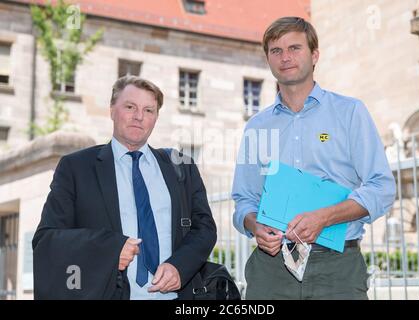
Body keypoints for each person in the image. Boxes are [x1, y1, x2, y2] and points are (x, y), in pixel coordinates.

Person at [232, 17, 396, 300]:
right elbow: (244, 199)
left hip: (337, 267)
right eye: (276, 51)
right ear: (268, 59)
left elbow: (382, 187)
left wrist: (325, 217)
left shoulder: (350, 113)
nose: (285, 57)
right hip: (271, 268)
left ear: (314, 55)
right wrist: (254, 225)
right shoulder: (256, 127)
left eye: (295, 48)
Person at [32, 75, 217, 300]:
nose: (139, 117)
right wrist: (108, 251)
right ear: (112, 110)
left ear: (156, 118)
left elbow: (204, 228)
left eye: (149, 110)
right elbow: (46, 240)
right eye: (130, 107)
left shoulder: (182, 166)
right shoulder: (76, 168)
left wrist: (180, 266)